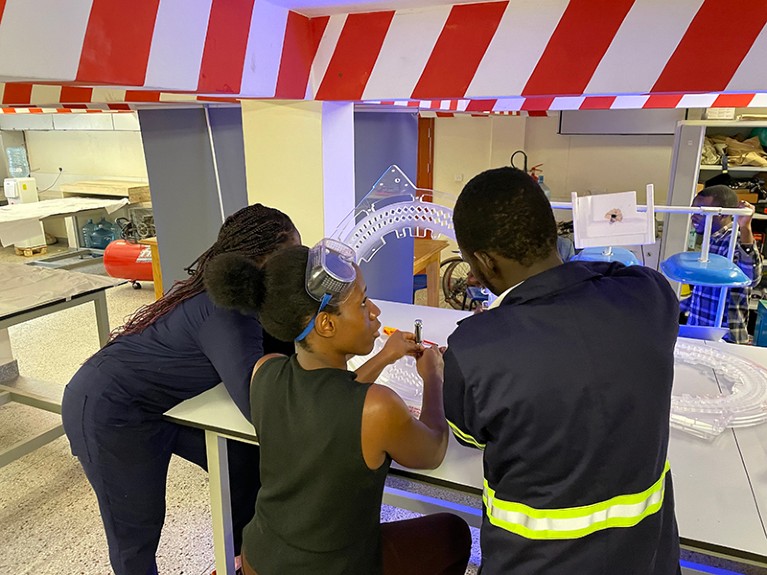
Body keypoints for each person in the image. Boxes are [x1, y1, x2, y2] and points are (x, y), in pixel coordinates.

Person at [443, 167, 681, 574]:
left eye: (472, 263)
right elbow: (608, 281)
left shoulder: (474, 349)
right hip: (645, 559)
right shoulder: (650, 295)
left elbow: (468, 436)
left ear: (484, 261)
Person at [204, 239, 471, 575]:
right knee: (454, 533)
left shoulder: (265, 371)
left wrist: (384, 357)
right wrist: (434, 375)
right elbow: (432, 449)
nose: (374, 311)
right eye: (362, 304)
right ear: (326, 325)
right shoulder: (377, 407)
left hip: (260, 557)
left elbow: (327, 397)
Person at [61, 204, 300, 575]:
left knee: (240, 460)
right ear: (255, 261)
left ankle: (240, 560)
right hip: (109, 409)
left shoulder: (241, 300)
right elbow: (259, 403)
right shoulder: (227, 311)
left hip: (162, 405)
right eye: (286, 259)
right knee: (136, 533)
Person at [680, 185, 762, 343]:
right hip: (701, 334)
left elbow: (751, 277)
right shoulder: (709, 242)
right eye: (694, 210)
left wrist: (746, 228)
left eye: (701, 212)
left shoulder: (734, 239)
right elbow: (704, 290)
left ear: (724, 213)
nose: (694, 216)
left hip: (724, 338)